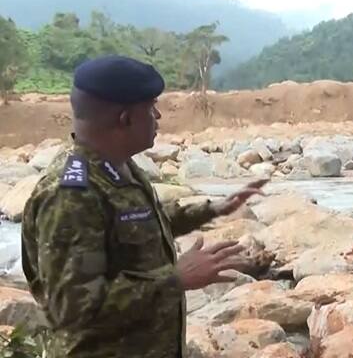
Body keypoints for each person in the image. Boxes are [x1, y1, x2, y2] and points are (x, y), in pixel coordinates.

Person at [21, 55, 267, 357]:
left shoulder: (119, 167)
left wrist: (213, 209)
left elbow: (135, 224)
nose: (158, 116)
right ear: (125, 118)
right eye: (151, 107)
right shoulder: (70, 195)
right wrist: (175, 279)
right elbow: (73, 308)